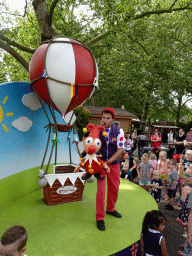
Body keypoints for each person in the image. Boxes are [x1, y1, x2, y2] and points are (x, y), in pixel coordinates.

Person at [96, 107, 125, 231]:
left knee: (114, 188)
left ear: (113, 119)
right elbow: (92, 145)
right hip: (100, 164)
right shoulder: (97, 130)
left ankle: (110, 209)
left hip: (113, 164)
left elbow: (120, 150)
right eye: (103, 118)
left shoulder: (119, 131)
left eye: (108, 118)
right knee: (101, 191)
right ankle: (99, 217)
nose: (105, 120)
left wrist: (108, 162)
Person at [177, 168, 192, 255]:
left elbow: (181, 203)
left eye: (188, 176)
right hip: (189, 211)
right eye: (185, 175)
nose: (185, 177)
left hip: (187, 212)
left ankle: (187, 249)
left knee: (188, 230)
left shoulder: (186, 187)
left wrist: (179, 203)